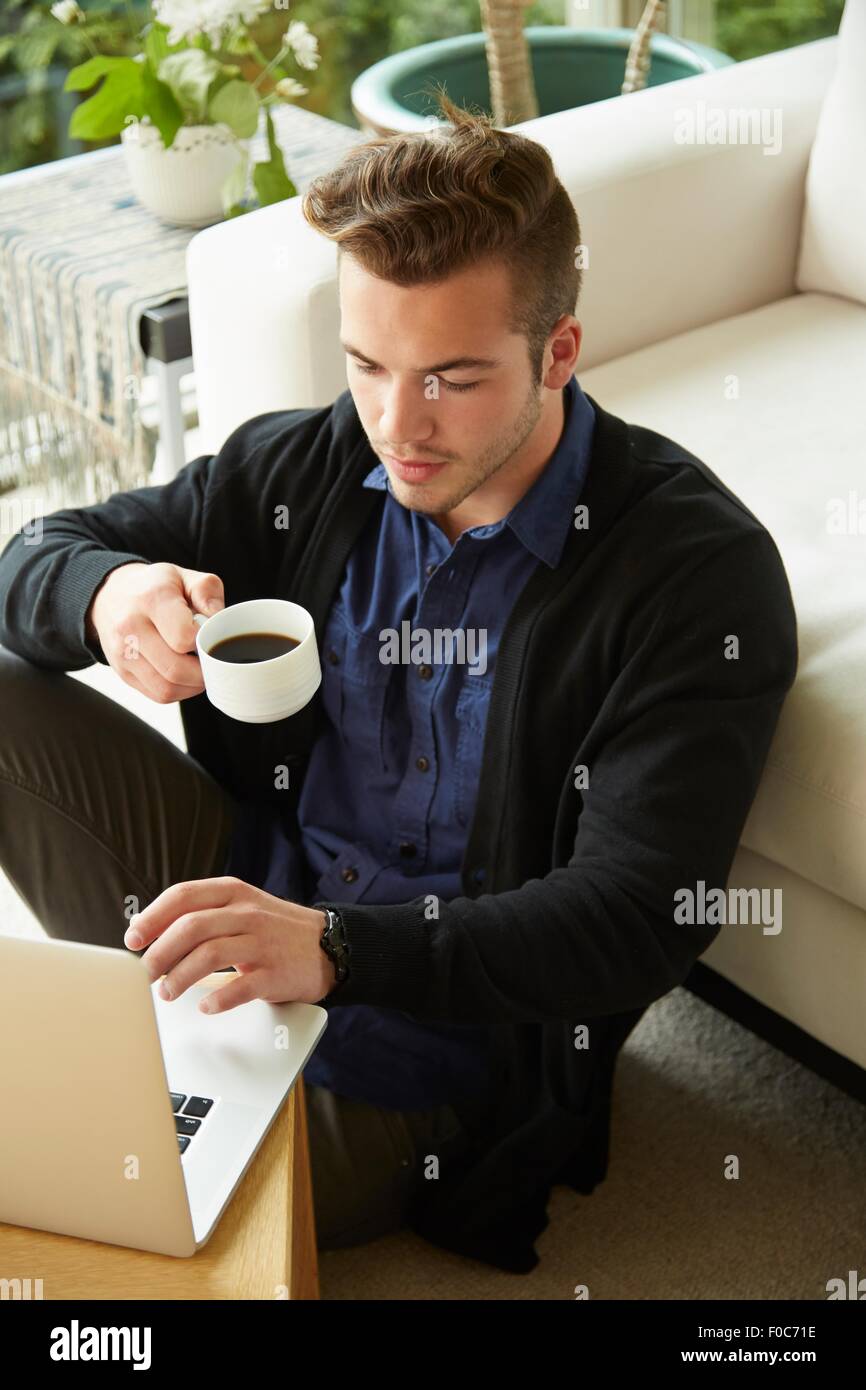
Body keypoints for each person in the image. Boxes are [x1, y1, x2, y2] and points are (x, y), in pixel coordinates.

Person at [0, 92, 798, 1274]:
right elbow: (35, 553)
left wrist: (336, 951)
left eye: (452, 379)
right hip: (247, 886)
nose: (395, 423)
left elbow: (637, 917)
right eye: (367, 364)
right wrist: (108, 597)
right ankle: (159, 1036)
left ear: (558, 350)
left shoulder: (688, 574)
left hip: (442, 1039)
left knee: (115, 1225)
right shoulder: (313, 460)